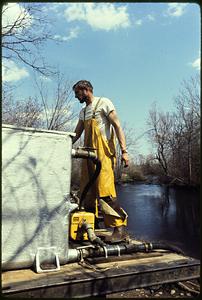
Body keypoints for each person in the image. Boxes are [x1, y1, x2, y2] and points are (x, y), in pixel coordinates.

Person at [72, 80, 129, 243]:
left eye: (77, 93)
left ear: (85, 89)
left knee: (105, 192)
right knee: (86, 191)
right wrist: (62, 143)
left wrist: (124, 151)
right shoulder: (83, 113)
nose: (76, 97)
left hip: (103, 154)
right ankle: (91, 227)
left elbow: (117, 126)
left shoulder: (103, 103)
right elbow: (76, 134)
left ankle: (120, 230)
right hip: (88, 156)